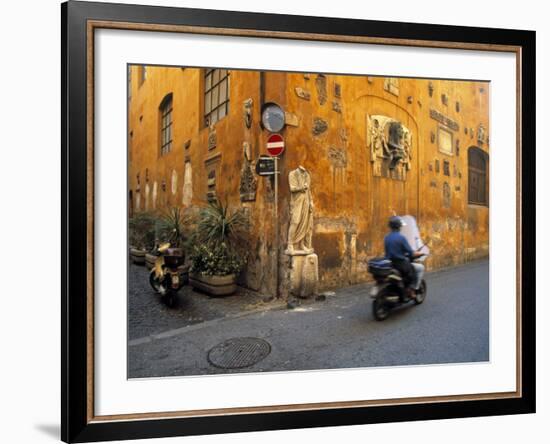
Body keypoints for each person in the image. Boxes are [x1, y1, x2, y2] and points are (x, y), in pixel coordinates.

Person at [384, 216, 424, 299]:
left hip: (390, 264)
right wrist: (420, 253)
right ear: (399, 226)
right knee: (415, 271)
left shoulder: (386, 238)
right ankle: (411, 290)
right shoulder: (401, 238)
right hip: (400, 264)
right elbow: (411, 253)